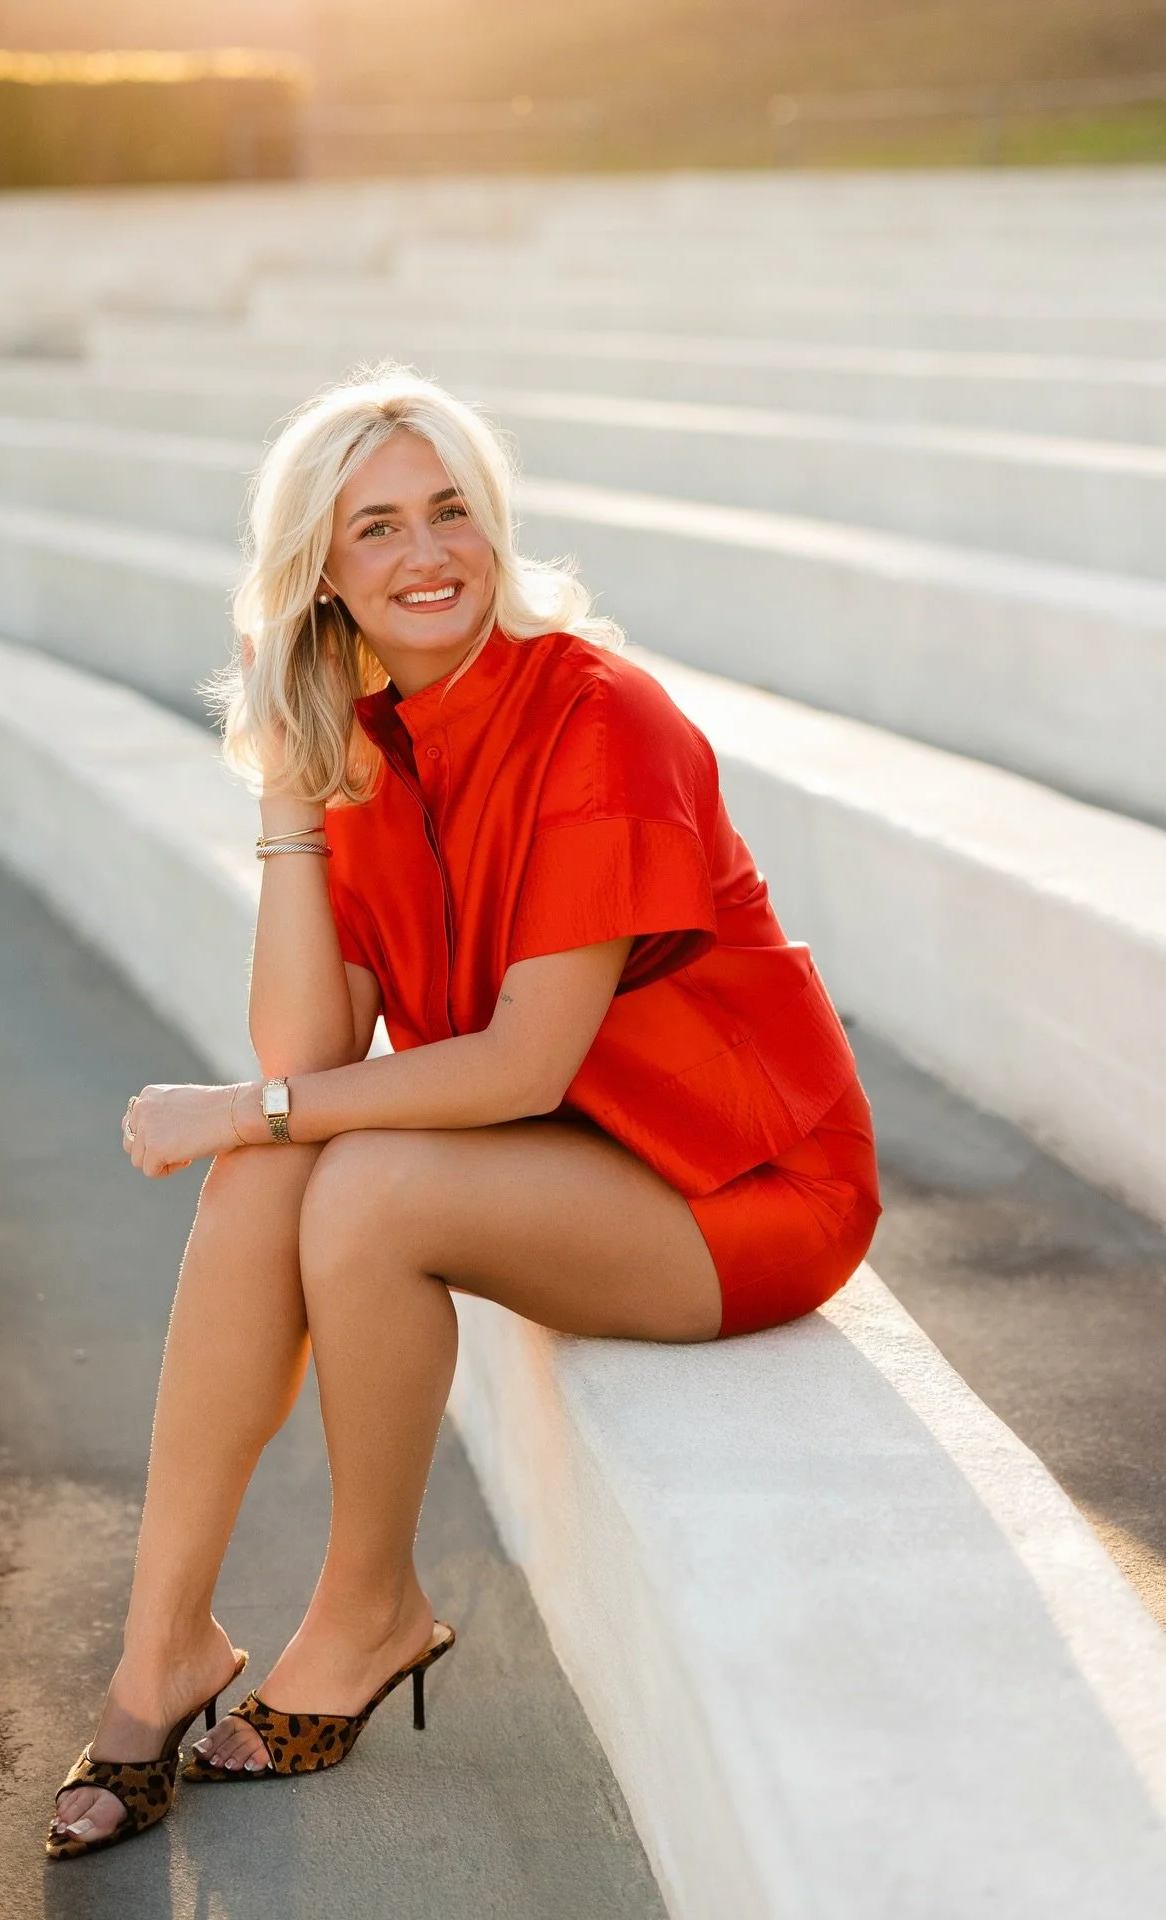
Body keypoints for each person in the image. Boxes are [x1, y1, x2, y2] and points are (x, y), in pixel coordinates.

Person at [47, 366, 880, 1859]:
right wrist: (294, 799)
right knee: (267, 1186)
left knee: (348, 1180)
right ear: (318, 579)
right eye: (376, 531)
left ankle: (369, 1609)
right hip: (574, 1156)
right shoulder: (373, 741)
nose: (429, 556)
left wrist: (245, 1107)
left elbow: (517, 1071)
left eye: (452, 514)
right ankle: (159, 1646)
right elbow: (310, 1035)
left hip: (740, 1188)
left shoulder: (598, 716)